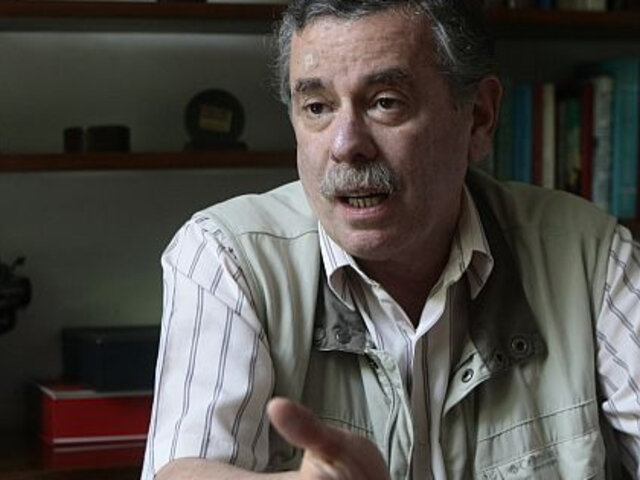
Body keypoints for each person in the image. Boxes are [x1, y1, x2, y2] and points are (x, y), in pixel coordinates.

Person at [141, 1, 640, 479]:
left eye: (385, 103)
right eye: (317, 107)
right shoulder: (228, 257)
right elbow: (185, 469)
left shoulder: (591, 257)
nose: (345, 146)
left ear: (479, 118)